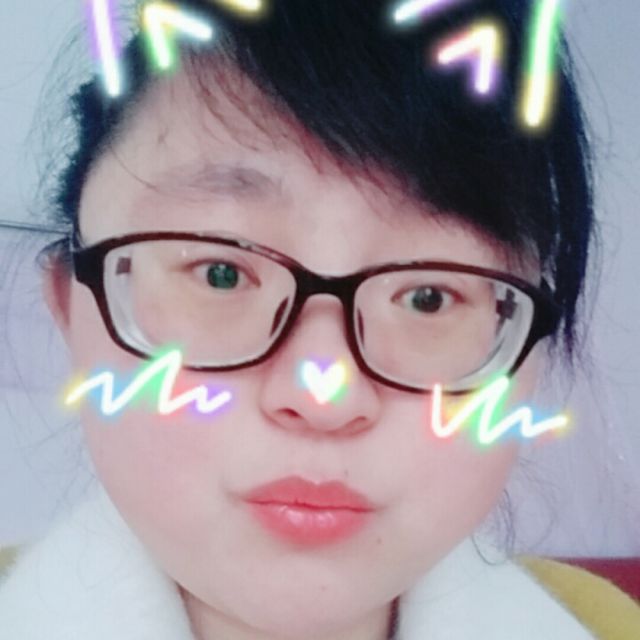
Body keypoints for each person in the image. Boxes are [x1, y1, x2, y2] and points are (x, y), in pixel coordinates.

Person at [1, 1, 638, 638]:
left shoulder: (603, 622)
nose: (323, 397)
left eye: (429, 297)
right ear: (67, 306)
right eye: (221, 273)